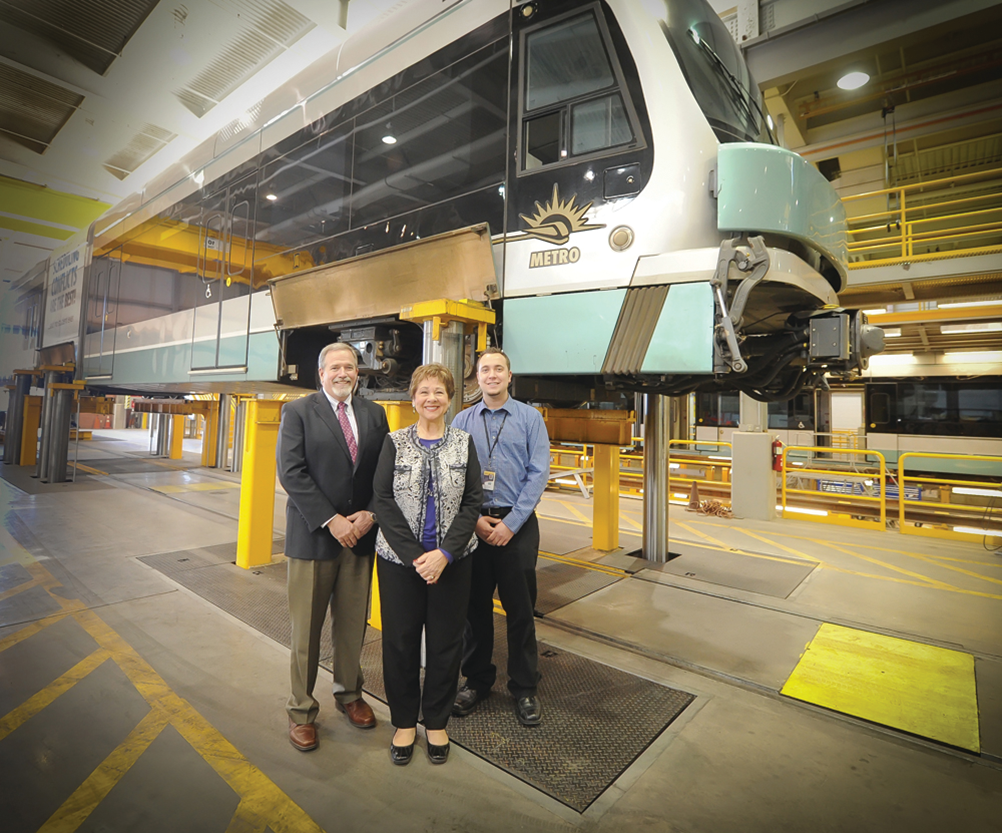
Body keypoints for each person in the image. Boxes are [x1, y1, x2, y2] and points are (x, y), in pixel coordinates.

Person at [277, 342, 390, 751]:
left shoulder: (374, 414)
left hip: (359, 538)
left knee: (351, 625)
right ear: (321, 373)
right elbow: (291, 472)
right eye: (335, 367)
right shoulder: (299, 412)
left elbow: (384, 473)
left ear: (357, 373)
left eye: (350, 366)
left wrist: (370, 514)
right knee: (305, 630)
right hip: (314, 537)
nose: (343, 373)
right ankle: (301, 710)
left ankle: (349, 694)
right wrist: (332, 519)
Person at [372, 364, 482, 765]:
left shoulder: (463, 442)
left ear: (449, 398)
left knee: (445, 643)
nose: (431, 398)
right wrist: (415, 556)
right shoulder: (394, 442)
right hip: (400, 563)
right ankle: (403, 721)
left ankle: (436, 721)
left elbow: (473, 501)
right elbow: (381, 499)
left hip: (453, 562)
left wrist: (445, 553)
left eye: (439, 392)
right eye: (424, 392)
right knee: (399, 642)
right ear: (413, 398)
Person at [451, 347, 550, 726]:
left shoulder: (530, 418)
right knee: (474, 611)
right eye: (485, 370)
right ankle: (476, 681)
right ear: (477, 377)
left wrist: (512, 524)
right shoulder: (462, 420)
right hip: (474, 525)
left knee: (521, 611)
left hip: (517, 525)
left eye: (499, 369)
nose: (491, 375)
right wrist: (474, 519)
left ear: (510, 376)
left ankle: (524, 688)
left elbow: (538, 473)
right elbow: (454, 475)